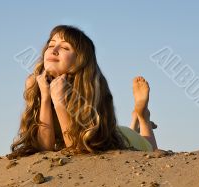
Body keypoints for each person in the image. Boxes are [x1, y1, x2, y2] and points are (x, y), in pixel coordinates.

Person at [9, 25, 158, 158]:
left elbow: (79, 149)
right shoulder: (34, 83)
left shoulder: (87, 89)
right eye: (51, 44)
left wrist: (60, 102)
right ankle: (135, 121)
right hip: (111, 132)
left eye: (65, 48)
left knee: (149, 147)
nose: (54, 50)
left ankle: (142, 117)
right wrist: (46, 97)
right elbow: (44, 148)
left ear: (80, 61)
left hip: (116, 137)